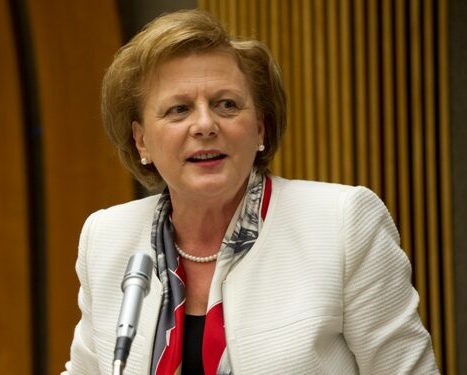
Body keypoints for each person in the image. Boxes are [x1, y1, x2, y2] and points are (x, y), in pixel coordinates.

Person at [63, 9, 438, 375]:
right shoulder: (108, 237)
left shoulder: (342, 223)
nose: (205, 125)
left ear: (259, 128)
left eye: (226, 105)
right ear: (141, 140)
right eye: (179, 110)